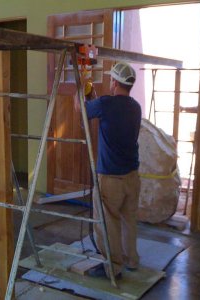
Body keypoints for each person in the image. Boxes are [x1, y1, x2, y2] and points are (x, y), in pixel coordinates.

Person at [74, 61, 142, 279]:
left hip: (110, 178)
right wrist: (92, 95)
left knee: (107, 222)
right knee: (128, 218)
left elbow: (80, 108)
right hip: (132, 176)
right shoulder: (135, 107)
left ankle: (112, 266)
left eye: (111, 79)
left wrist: (81, 84)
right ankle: (131, 259)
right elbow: (107, 113)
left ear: (114, 82)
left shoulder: (105, 104)